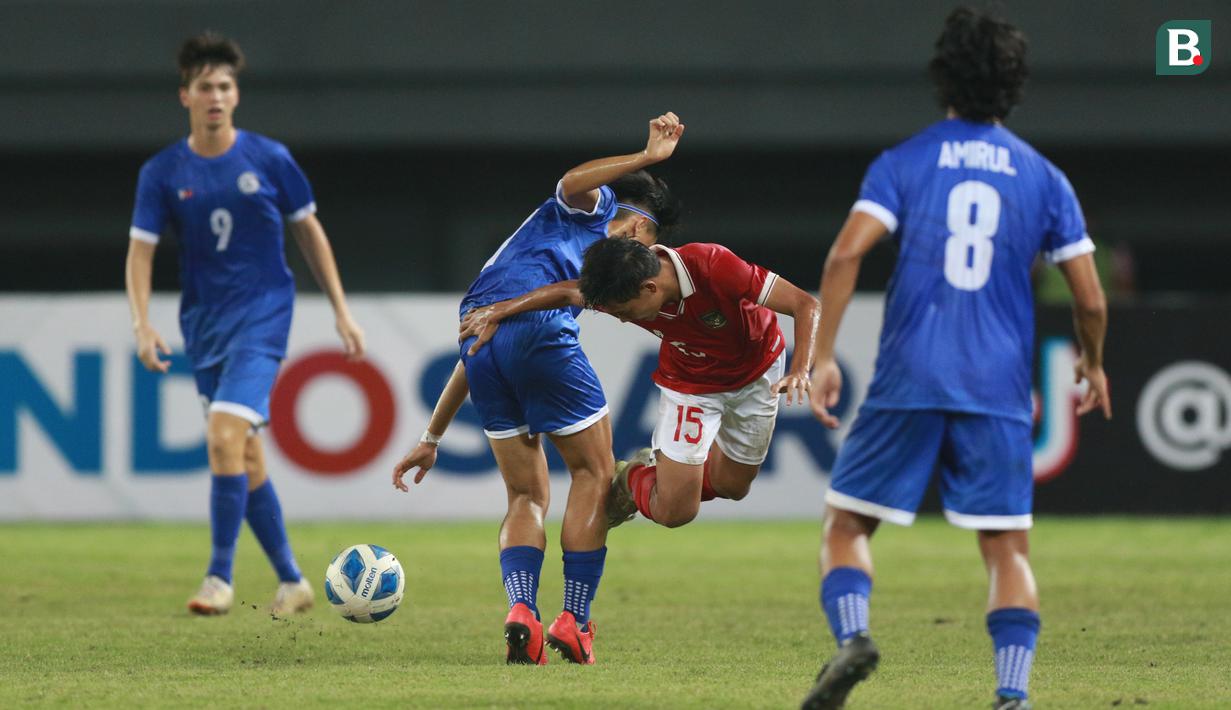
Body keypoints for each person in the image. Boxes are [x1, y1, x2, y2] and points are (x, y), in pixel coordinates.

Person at [799, 8, 1111, 710]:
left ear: (942, 75)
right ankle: (1011, 694)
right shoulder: (1044, 178)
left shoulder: (902, 163)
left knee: (846, 524)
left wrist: (821, 356)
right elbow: (1089, 300)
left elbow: (846, 252)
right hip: (996, 386)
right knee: (1006, 550)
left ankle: (853, 638)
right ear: (1014, 85)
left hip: (908, 373)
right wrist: (1091, 363)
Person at [392, 113, 684, 666]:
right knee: (595, 473)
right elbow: (573, 180)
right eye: (645, 236)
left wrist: (432, 435)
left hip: (479, 335)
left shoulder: (554, 263)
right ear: (637, 221)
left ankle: (521, 610)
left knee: (526, 496)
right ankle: (574, 619)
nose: (641, 251)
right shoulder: (594, 213)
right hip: (538, 334)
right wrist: (647, 158)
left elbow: (475, 345)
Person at [125, 32, 365, 616]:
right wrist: (142, 323)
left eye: (225, 86)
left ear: (236, 96)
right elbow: (140, 251)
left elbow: (309, 230)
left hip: (263, 316)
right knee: (246, 456)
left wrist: (339, 307)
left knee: (222, 438)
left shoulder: (269, 158)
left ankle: (219, 577)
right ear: (185, 95)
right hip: (204, 323)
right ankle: (292, 580)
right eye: (205, 86)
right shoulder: (162, 172)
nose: (216, 96)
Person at [460, 237, 819, 531]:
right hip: (690, 384)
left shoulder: (713, 266)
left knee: (733, 486)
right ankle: (631, 481)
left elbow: (805, 305)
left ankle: (660, 474)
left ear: (650, 287)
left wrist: (801, 368)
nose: (620, 319)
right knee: (675, 512)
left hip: (759, 373)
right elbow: (567, 291)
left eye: (624, 312)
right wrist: (501, 310)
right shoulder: (620, 285)